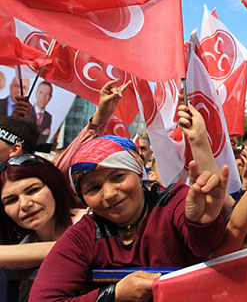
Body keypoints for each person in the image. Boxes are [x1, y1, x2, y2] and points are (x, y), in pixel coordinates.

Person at [29, 103, 230, 302]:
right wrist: (111, 295)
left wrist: (201, 223)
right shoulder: (86, 234)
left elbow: (205, 246)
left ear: (138, 174)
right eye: (94, 188)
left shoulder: (173, 201)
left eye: (118, 177)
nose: (108, 194)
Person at [1, 153, 85, 301]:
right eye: (11, 200)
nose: (25, 204)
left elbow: (74, 247)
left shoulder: (91, 222)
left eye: (33, 190)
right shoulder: (25, 242)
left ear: (54, 186)